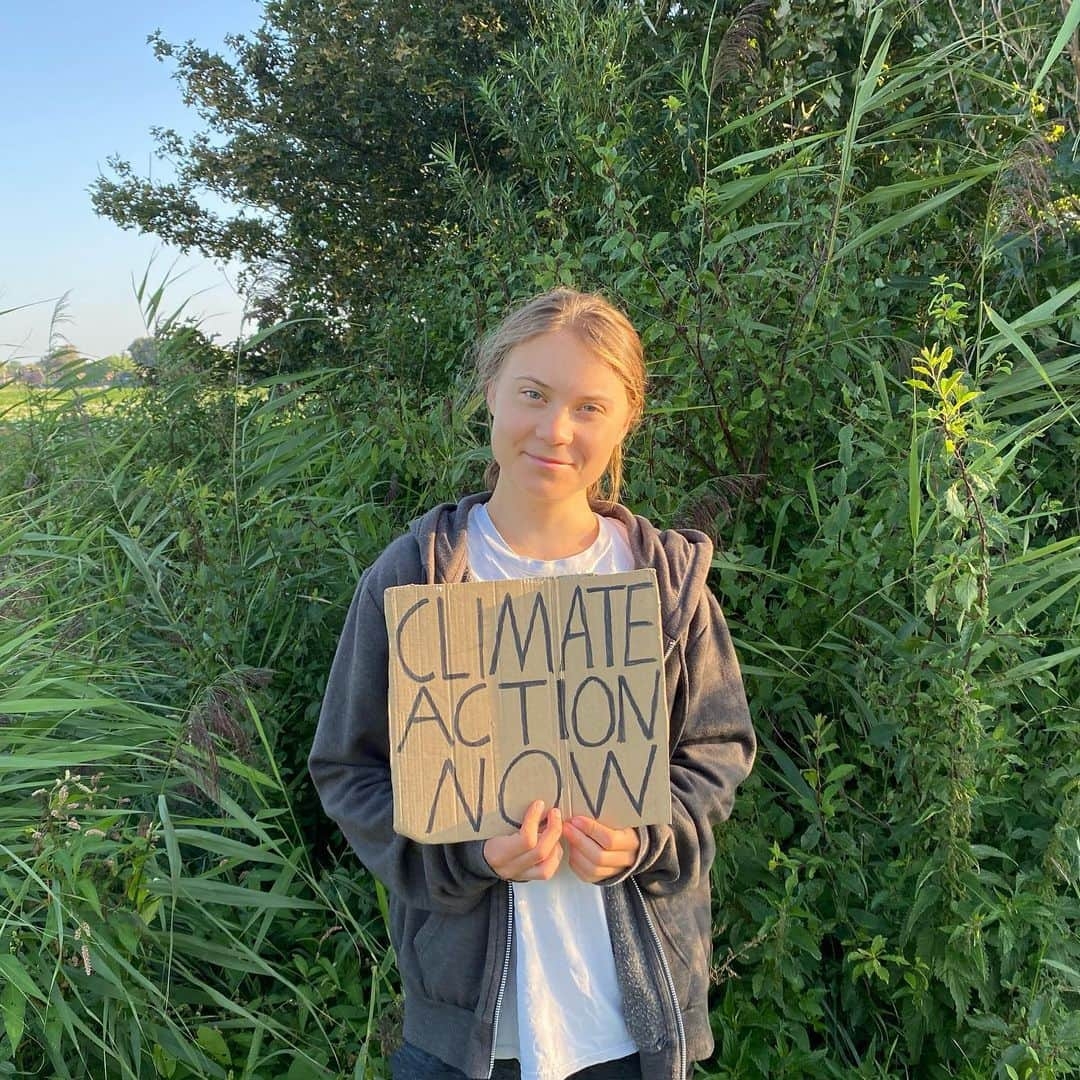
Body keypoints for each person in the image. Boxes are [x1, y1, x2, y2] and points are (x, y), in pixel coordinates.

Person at [308, 288, 756, 1080]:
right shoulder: (412, 578)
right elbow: (349, 770)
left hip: (634, 1025)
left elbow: (717, 751)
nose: (555, 430)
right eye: (532, 394)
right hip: (467, 1036)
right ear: (490, 391)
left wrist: (642, 840)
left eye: (590, 405)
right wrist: (467, 855)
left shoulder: (668, 584)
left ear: (627, 420)